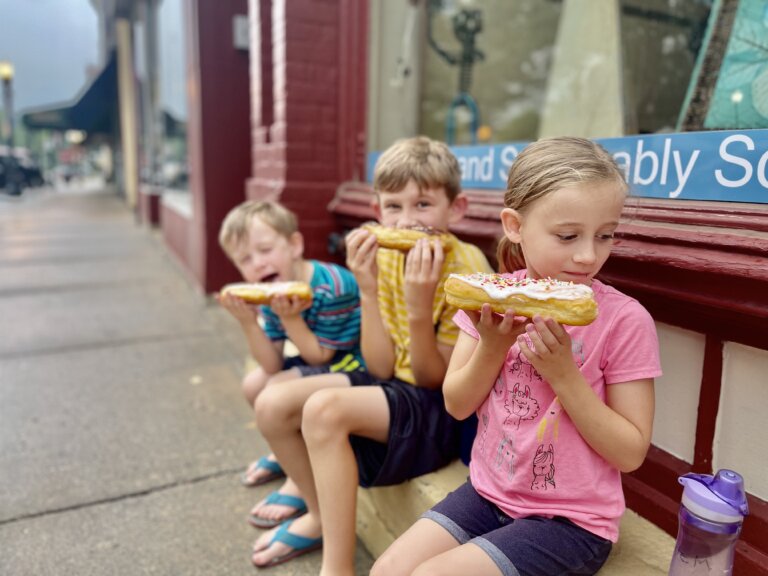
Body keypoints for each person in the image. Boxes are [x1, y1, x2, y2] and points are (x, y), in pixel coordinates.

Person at [371, 136, 662, 576]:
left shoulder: (625, 320)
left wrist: (564, 375)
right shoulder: (491, 298)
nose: (588, 254)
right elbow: (457, 403)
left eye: (605, 235)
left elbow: (630, 453)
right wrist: (492, 346)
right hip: (488, 494)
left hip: (571, 521)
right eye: (567, 235)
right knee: (387, 570)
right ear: (514, 225)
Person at [249, 136, 493, 571]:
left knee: (323, 411)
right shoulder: (382, 258)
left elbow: (434, 380)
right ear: (378, 212)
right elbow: (380, 366)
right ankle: (319, 513)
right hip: (395, 382)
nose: (406, 220)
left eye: (423, 205)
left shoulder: (468, 270)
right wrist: (366, 288)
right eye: (393, 207)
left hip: (442, 407)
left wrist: (419, 310)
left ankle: (337, 567)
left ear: (455, 208)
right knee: (272, 402)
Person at [216, 200, 363, 528]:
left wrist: (291, 318)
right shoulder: (271, 289)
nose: (257, 264)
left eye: (265, 249)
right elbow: (270, 363)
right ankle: (291, 454)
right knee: (255, 383)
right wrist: (249, 323)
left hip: (354, 365)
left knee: (274, 391)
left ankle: (300, 482)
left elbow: (320, 357)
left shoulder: (332, 286)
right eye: (245, 259)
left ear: (294, 244)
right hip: (321, 363)